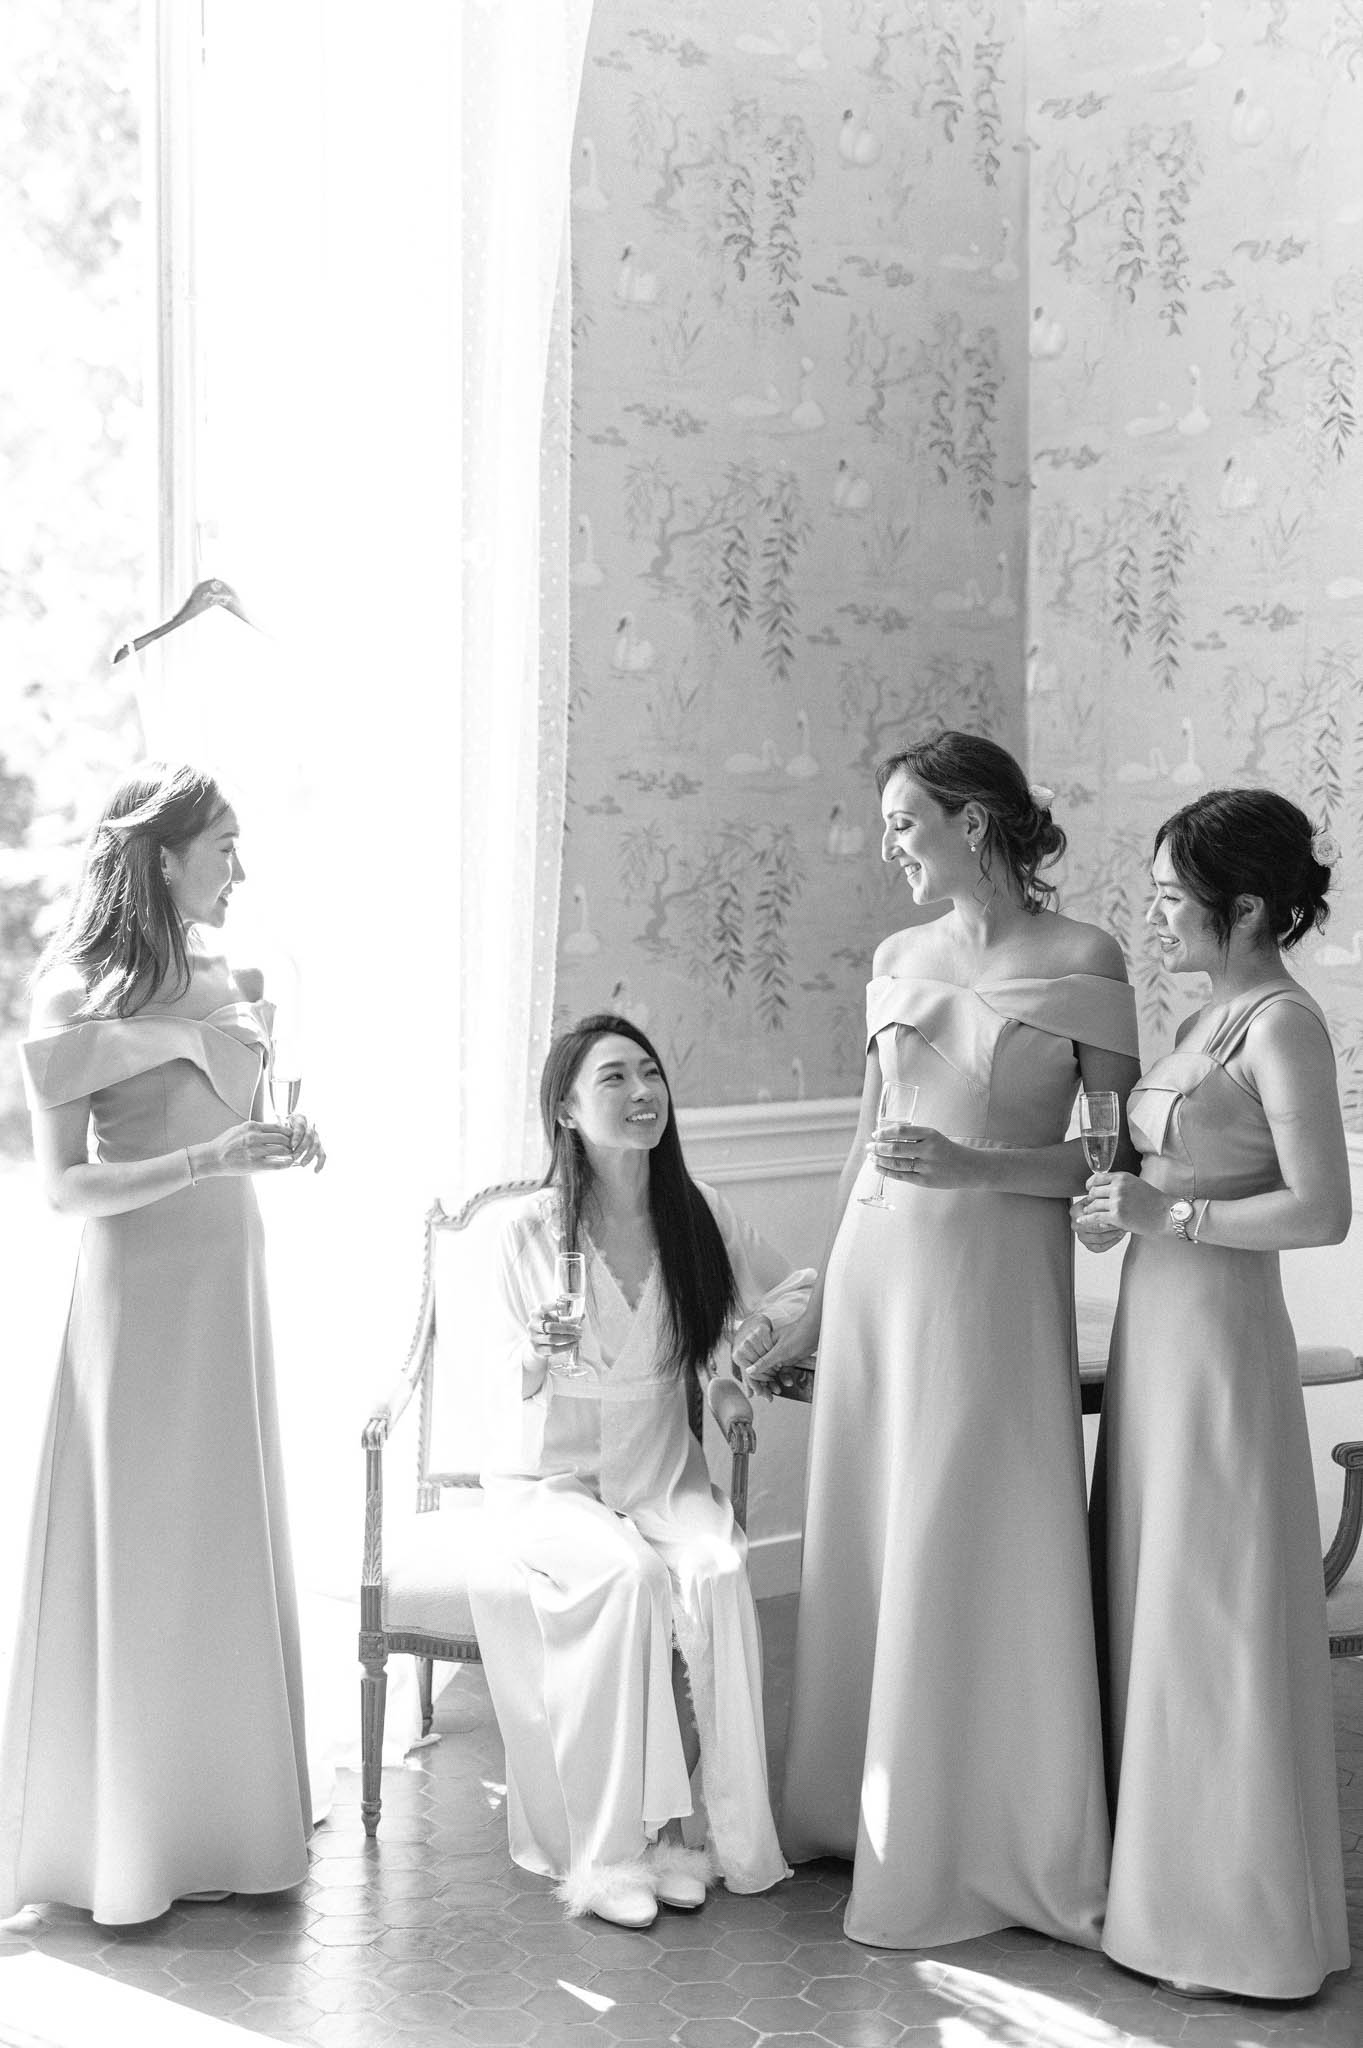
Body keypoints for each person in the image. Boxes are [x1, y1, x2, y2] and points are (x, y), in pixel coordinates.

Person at [747, 730, 1141, 1949]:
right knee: (875, 1529)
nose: (890, 851)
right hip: (880, 1274)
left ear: (974, 823)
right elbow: (868, 1139)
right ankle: (849, 1806)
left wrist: (980, 1165)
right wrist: (806, 1310)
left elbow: (1118, 1153)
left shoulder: (1086, 958)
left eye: (906, 825)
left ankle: (986, 1828)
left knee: (977, 1522)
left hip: (990, 1280)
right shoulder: (895, 956)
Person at [0, 763, 324, 1927]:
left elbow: (234, 1125)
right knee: (136, 1550)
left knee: (220, 1539)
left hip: (228, 1276)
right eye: (225, 845)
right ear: (164, 852)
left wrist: (277, 1144)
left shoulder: (225, 972)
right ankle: (123, 1836)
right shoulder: (71, 991)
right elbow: (62, 1185)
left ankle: (228, 1816)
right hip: (135, 1296)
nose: (241, 867)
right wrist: (206, 1160)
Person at [1074, 788, 1351, 2000]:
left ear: (1245, 905)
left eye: (1171, 894)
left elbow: (1323, 1209)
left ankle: (1231, 1923)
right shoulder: (1202, 1013)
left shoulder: (1282, 1023)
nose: (1154, 912)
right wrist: (1115, 1196)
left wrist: (1169, 1211)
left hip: (1223, 1347)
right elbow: (1164, 1169)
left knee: (1213, 1608)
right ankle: (1154, 1889)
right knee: (1156, 1593)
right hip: (1157, 1331)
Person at [467, 1013, 812, 1930]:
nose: (640, 1091)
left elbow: (798, 1289)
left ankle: (707, 1838)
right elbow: (492, 1383)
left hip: (663, 1475)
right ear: (568, 1111)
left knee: (719, 1568)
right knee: (628, 1579)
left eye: (650, 1073)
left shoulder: (696, 1218)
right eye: (613, 1077)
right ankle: (613, 1849)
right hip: (549, 1485)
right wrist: (537, 1355)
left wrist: (736, 1358)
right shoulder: (523, 1233)